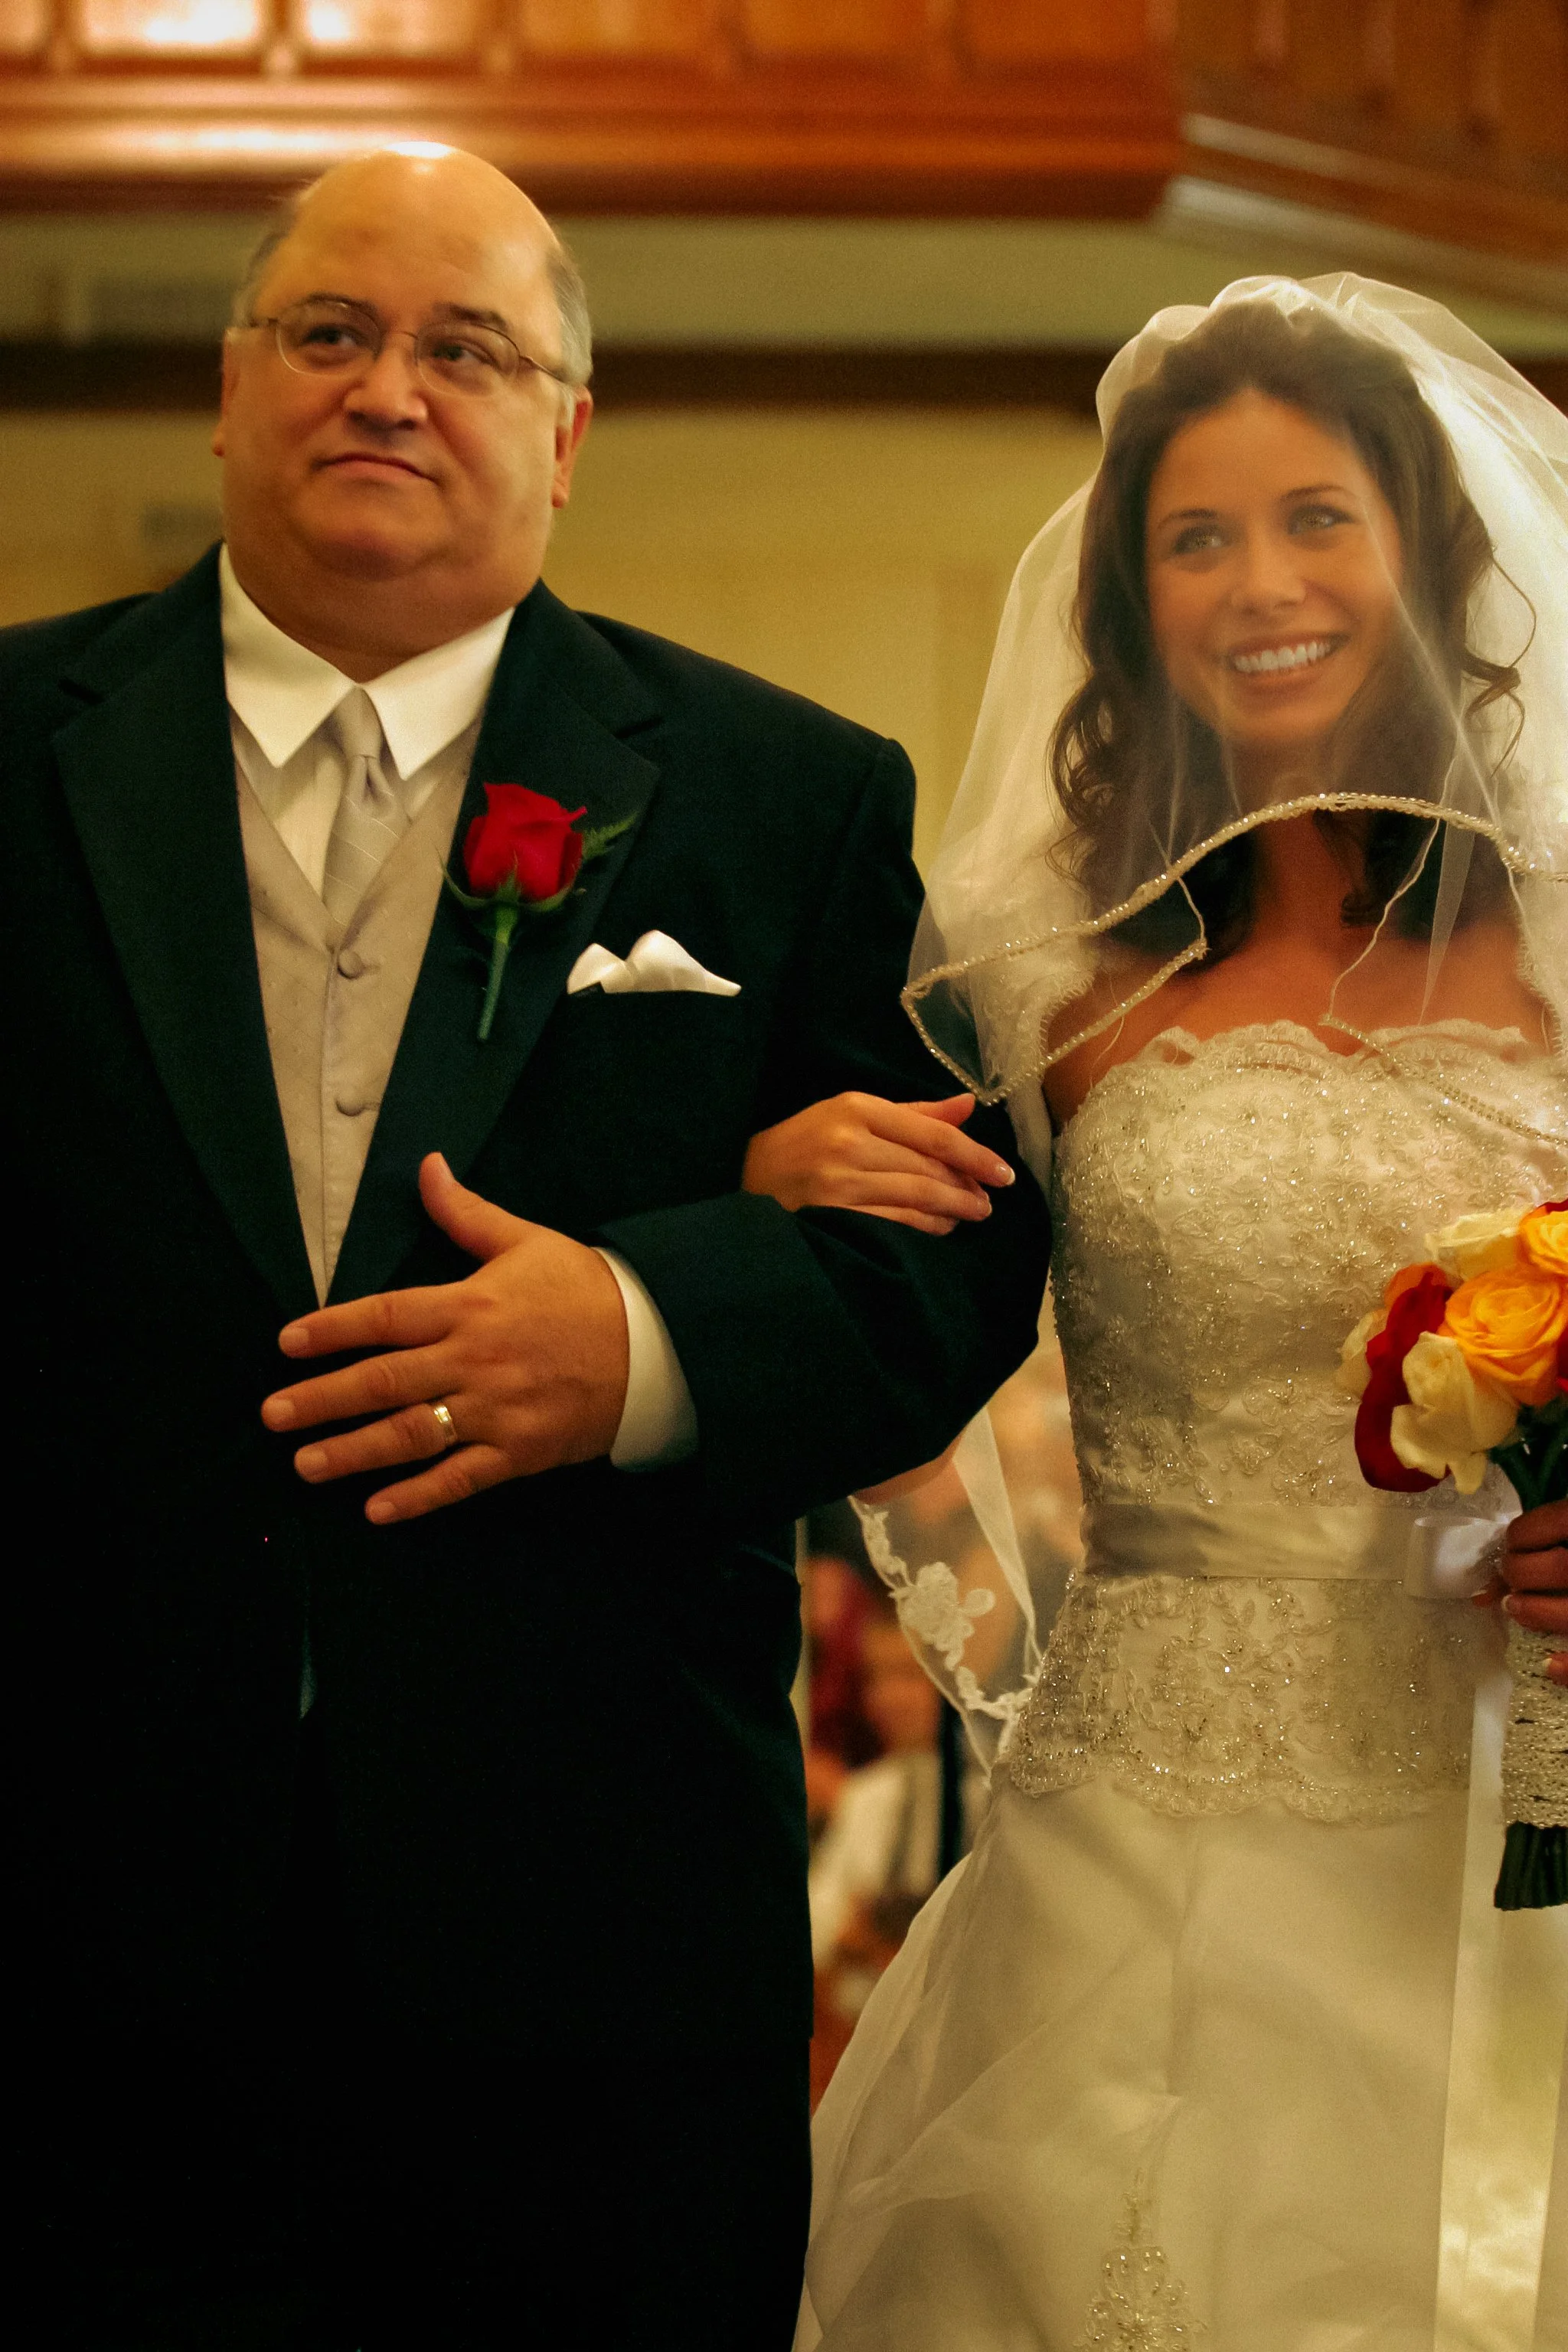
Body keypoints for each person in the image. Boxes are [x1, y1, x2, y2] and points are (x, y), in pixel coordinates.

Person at [4, 145, 1050, 2349]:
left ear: (564, 436)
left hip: (585, 1936)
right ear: (226, 392)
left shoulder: (787, 798)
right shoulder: (13, 752)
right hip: (64, 1919)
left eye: (465, 348)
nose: (390, 387)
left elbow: (947, 1259)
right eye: (330, 333)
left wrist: (648, 1331)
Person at [752, 279, 1568, 2350]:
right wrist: (777, 1178)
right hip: (1140, 1839)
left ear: (1429, 553)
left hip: (1511, 1802)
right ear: (1130, 612)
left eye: (1317, 519)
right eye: (1196, 540)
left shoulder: (1563, 958)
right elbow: (892, 1281)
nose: (1260, 584)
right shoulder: (1048, 985)